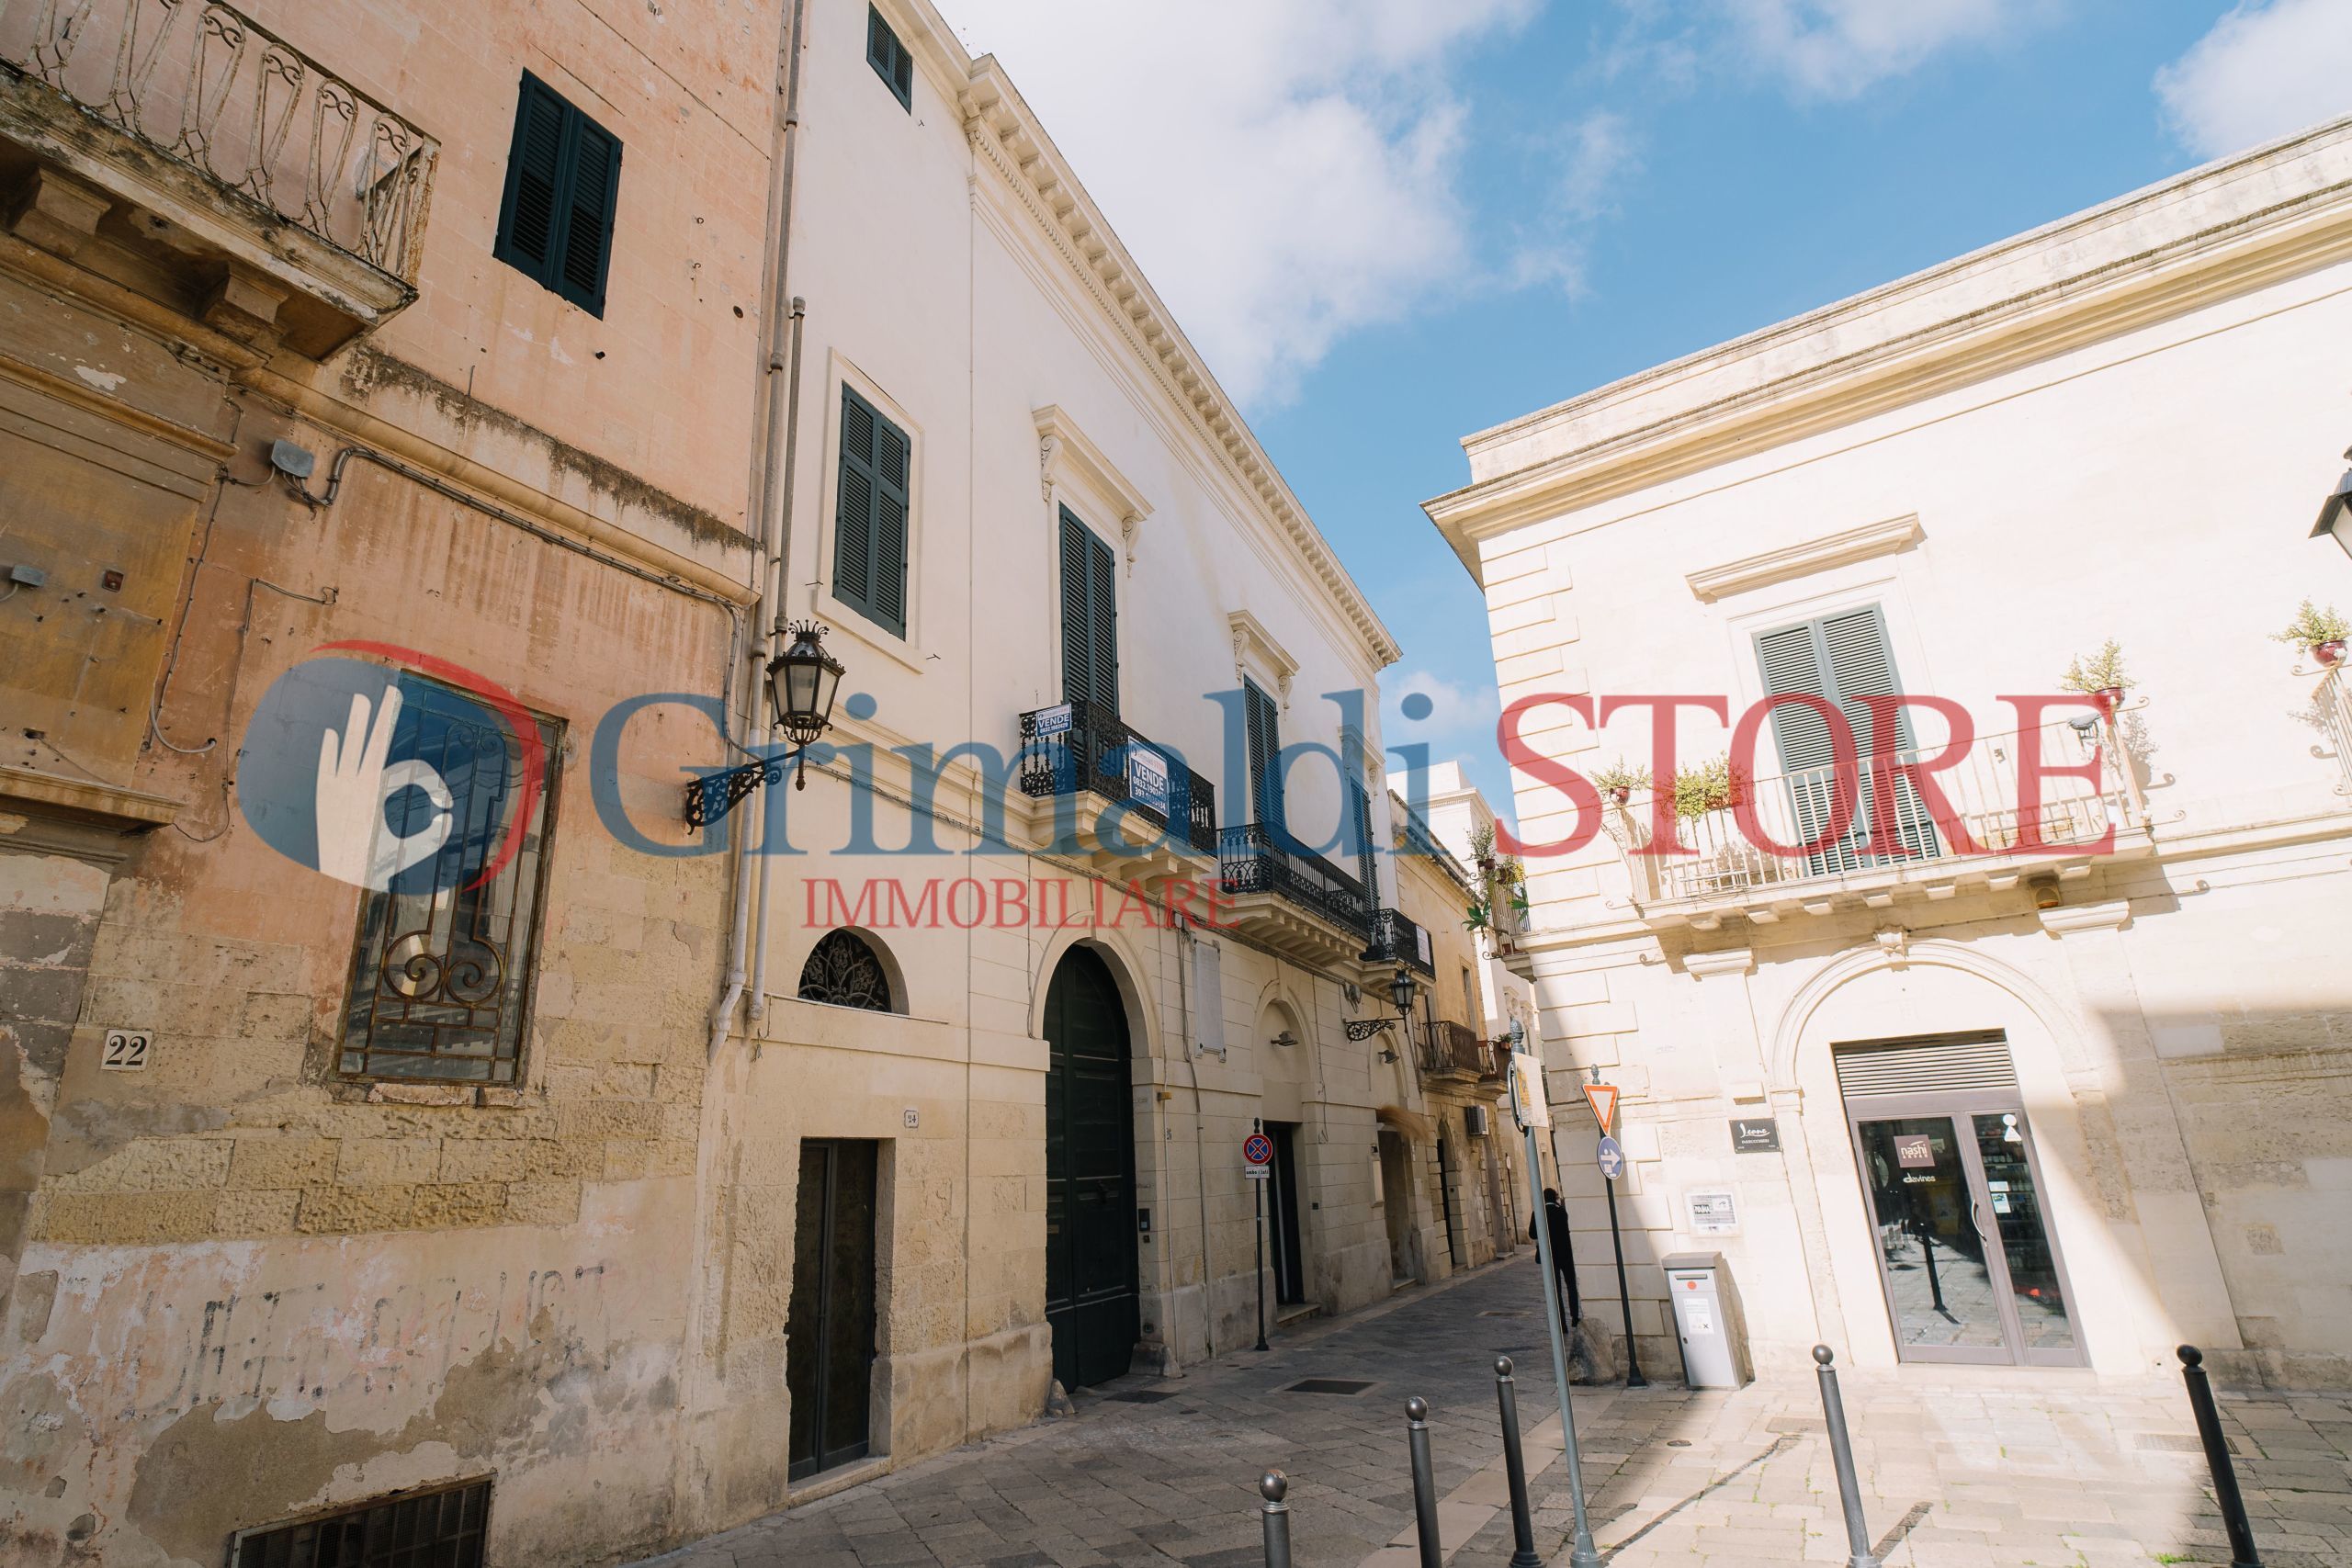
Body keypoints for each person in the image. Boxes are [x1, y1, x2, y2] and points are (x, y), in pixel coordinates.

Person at [1531, 1187, 1581, 1325]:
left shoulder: (1538, 1213)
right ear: (1555, 1197)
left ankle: (1562, 1323)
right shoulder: (1562, 1211)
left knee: (1556, 1289)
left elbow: (1532, 1234)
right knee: (1571, 1286)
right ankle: (1575, 1317)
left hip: (1549, 1256)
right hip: (1566, 1254)